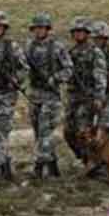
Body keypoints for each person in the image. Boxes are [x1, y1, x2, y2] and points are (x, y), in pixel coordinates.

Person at [0, 11, 28, 187]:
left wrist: (17, 79)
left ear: (4, 29)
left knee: (0, 132)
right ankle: (6, 163)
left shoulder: (12, 47)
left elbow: (24, 68)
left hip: (6, 95)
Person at [24, 13, 71, 179]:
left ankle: (38, 167)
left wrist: (55, 78)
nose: (38, 31)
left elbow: (68, 69)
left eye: (41, 28)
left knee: (45, 131)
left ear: (47, 29)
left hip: (51, 96)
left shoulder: (57, 47)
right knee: (39, 133)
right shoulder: (29, 46)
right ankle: (53, 166)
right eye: (36, 28)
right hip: (34, 95)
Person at [63, 17, 107, 176]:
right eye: (75, 32)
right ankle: (84, 158)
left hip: (88, 97)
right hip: (73, 96)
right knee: (68, 131)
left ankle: (94, 163)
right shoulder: (71, 53)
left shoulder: (95, 52)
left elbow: (100, 76)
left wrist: (99, 98)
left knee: (84, 131)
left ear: (87, 33)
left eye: (81, 32)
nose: (78, 35)